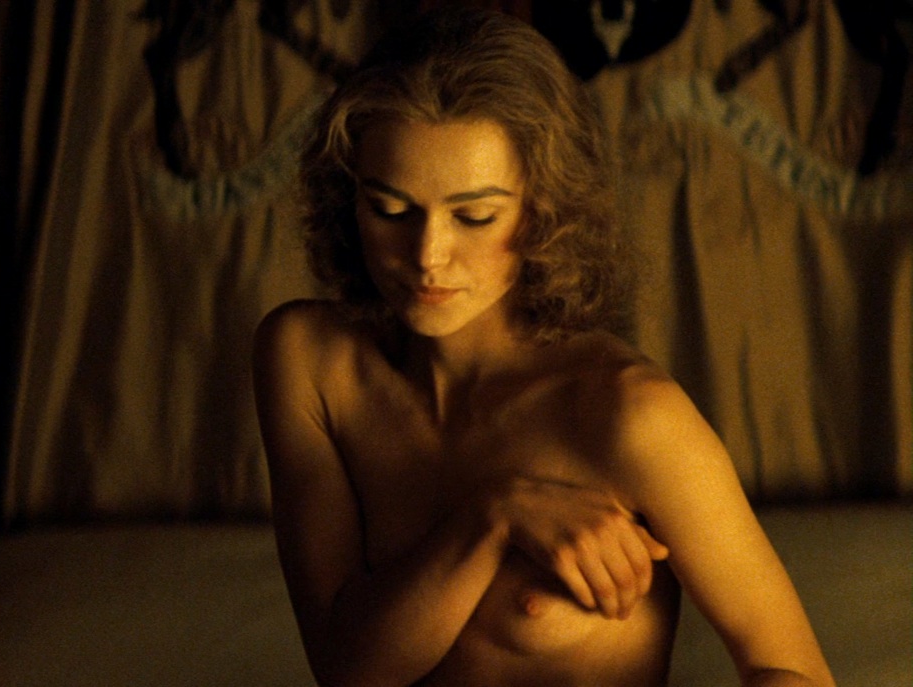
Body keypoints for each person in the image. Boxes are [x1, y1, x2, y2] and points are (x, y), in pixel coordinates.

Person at [251, 8, 834, 687]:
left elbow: (792, 670)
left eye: (475, 216)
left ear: (543, 208)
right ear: (347, 196)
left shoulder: (629, 416)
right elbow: (348, 670)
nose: (428, 255)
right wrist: (494, 514)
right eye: (391, 209)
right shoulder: (309, 360)